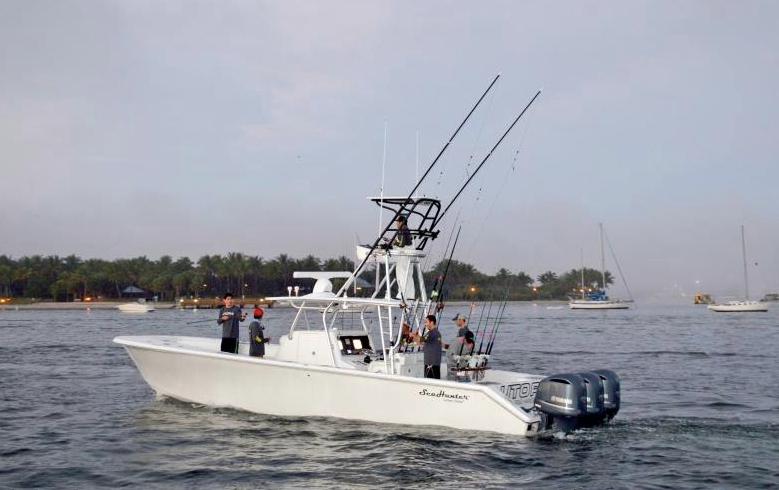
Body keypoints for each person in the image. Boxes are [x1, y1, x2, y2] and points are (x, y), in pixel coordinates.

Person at [421, 314, 443, 379]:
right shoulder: (430, 333)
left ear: (432, 322)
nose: (425, 324)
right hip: (430, 364)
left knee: (431, 382)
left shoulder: (433, 333)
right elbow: (421, 341)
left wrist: (413, 335)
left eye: (426, 322)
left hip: (431, 365)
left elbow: (421, 340)